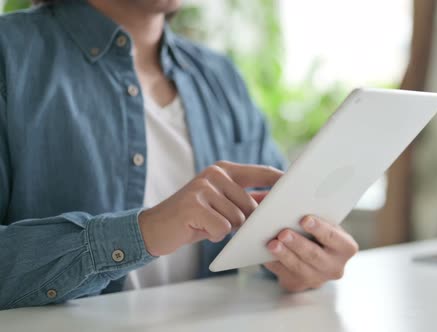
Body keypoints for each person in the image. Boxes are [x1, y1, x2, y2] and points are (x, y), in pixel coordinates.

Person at [0, 0, 358, 310]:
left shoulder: (221, 77)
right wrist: (143, 233)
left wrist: (303, 261)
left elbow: (279, 230)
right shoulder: (9, 58)